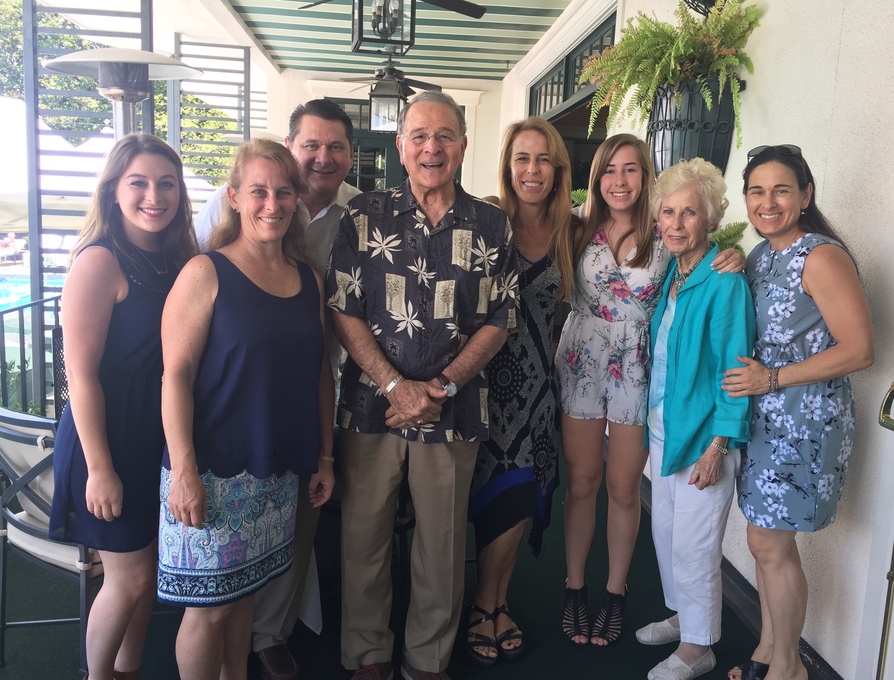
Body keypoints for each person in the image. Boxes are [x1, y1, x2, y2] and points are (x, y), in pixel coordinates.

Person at [326, 91, 517, 680]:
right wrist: (393, 386)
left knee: (441, 545)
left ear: (462, 145)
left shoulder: (491, 224)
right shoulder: (363, 218)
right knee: (364, 539)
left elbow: (500, 319)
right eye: (419, 136)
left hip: (453, 411)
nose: (432, 147)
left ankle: (428, 657)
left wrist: (438, 387)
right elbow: (344, 308)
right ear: (400, 147)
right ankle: (367, 654)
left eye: (445, 136)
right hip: (370, 409)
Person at [554, 134, 744, 646]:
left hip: (639, 368)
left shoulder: (666, 234)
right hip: (582, 359)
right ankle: (575, 586)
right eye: (610, 170)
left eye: (632, 169)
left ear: (647, 177)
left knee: (622, 489)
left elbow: (706, 258)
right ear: (596, 178)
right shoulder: (575, 229)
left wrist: (737, 253)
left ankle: (615, 591)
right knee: (581, 484)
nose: (620, 180)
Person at [157, 139, 335, 680]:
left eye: (284, 193)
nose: (272, 205)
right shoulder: (203, 273)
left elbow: (320, 373)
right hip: (210, 473)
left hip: (275, 472)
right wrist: (184, 471)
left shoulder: (308, 279)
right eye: (258, 191)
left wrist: (325, 457)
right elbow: (175, 377)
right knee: (207, 612)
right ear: (235, 197)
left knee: (244, 601)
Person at [195, 99, 360, 680]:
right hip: (231, 403)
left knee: (292, 526)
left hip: (312, 388)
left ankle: (270, 633)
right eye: (311, 145)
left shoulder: (356, 218)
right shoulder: (227, 212)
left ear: (349, 157)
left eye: (335, 147)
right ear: (290, 149)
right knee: (218, 565)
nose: (322, 157)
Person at [48, 133, 197, 680]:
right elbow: (79, 377)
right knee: (129, 577)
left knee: (149, 570)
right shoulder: (99, 261)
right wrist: (100, 468)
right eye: (139, 183)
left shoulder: (177, 258)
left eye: (166, 183)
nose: (153, 195)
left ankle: (127, 670)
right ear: (114, 190)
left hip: (155, 434)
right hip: (105, 438)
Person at [721, 145, 873, 680]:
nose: (768, 202)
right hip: (766, 422)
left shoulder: (820, 256)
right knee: (764, 540)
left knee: (767, 541)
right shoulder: (764, 254)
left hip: (805, 423)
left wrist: (773, 379)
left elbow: (859, 349)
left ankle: (789, 668)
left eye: (781, 189)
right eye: (757, 191)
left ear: (805, 195)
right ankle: (768, 650)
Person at [633, 158, 755, 680]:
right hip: (665, 431)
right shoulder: (675, 275)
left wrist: (720, 444)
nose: (676, 223)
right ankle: (685, 616)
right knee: (664, 533)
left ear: (710, 219)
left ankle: (700, 646)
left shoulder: (724, 282)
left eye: (689, 213)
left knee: (695, 543)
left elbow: (736, 369)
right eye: (668, 212)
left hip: (706, 440)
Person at [465, 117, 574, 667]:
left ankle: (497, 600)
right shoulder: (486, 220)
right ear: (508, 166)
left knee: (519, 499)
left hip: (538, 394)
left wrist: (728, 252)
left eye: (544, 160)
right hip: (482, 387)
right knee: (495, 500)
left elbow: (647, 250)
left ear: (558, 169)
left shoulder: (572, 233)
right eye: (522, 159)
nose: (532, 170)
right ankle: (485, 605)